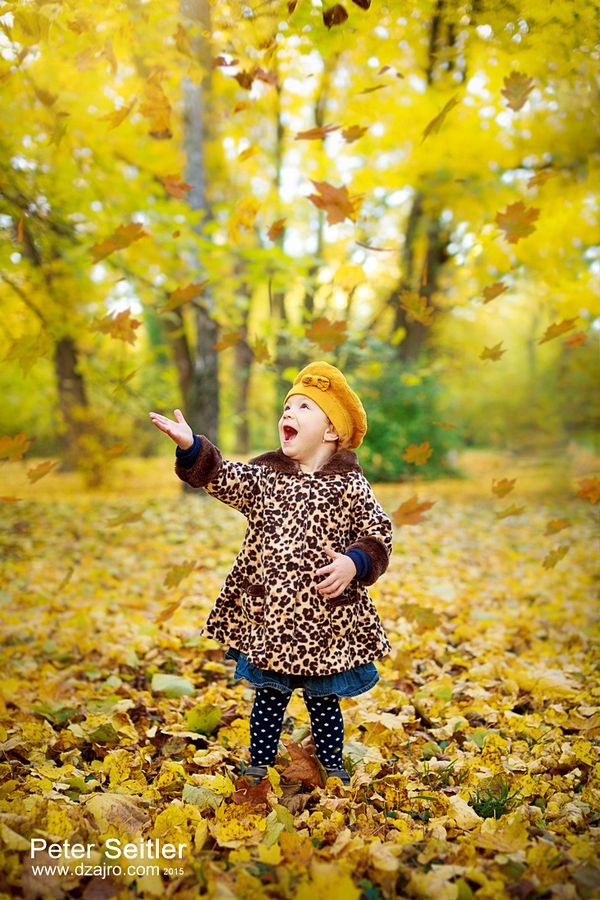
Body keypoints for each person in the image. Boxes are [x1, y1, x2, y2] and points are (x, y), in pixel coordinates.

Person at [148, 360, 393, 787]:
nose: (288, 414)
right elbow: (225, 477)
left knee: (324, 699)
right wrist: (192, 448)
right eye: (287, 406)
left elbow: (378, 532)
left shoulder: (350, 484)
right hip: (272, 614)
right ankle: (258, 764)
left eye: (303, 407)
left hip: (325, 619)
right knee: (269, 695)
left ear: (331, 430)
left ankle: (331, 765)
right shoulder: (266, 477)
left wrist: (354, 562)